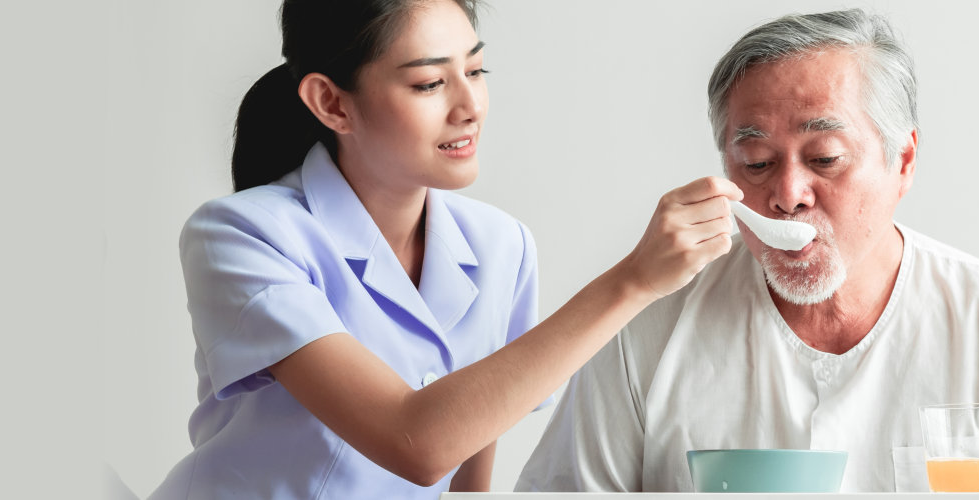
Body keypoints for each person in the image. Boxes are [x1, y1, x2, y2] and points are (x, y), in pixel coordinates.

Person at [149, 1, 742, 498]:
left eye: (477, 71)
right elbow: (419, 444)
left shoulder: (500, 245)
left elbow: (465, 476)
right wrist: (633, 281)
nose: (470, 106)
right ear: (331, 103)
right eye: (430, 82)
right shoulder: (240, 234)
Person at [517, 9, 979, 498]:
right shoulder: (648, 320)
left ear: (902, 162)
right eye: (755, 164)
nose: (786, 196)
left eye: (824, 158)